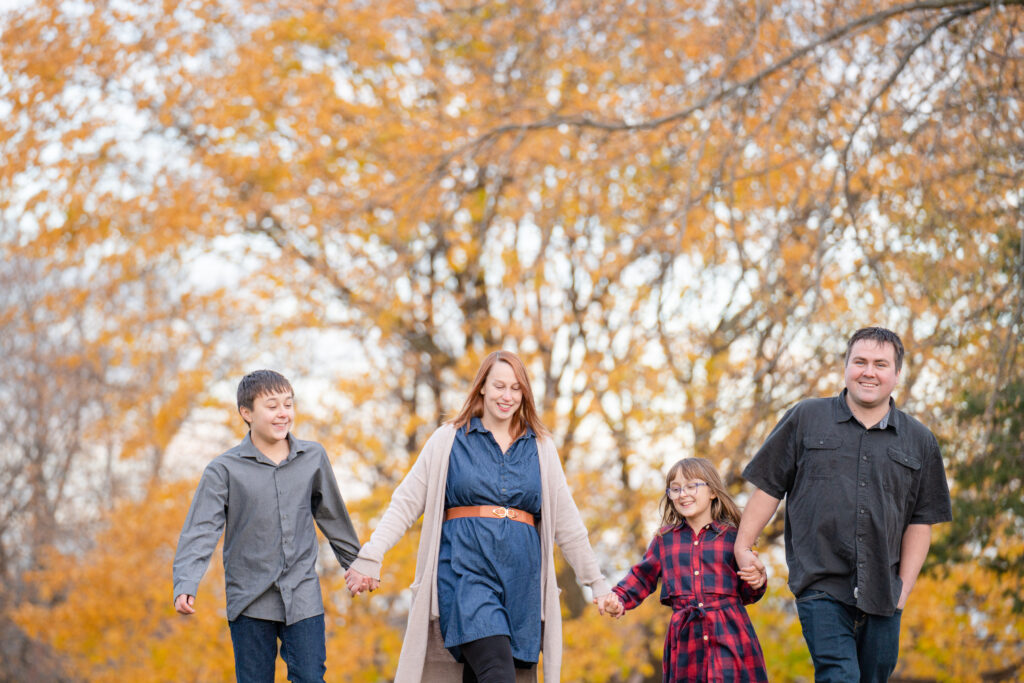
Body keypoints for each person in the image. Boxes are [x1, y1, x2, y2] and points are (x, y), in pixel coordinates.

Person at [344, 350, 612, 683]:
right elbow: (406, 502)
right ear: (482, 386)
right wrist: (371, 555)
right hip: (466, 572)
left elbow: (568, 524)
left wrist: (596, 583)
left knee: (488, 673)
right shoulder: (450, 439)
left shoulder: (540, 447)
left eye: (516, 388)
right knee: (498, 671)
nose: (507, 396)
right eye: (499, 385)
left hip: (521, 582)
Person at [735, 327, 953, 682]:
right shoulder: (806, 417)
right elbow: (769, 486)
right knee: (840, 676)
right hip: (820, 585)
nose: (869, 371)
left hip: (885, 593)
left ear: (896, 374)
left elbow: (921, 521)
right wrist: (743, 546)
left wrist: (903, 591)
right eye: (860, 361)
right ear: (846, 367)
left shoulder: (920, 440)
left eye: (881, 364)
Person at [172, 369, 362, 683]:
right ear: (246, 413)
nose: (283, 413)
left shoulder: (312, 457)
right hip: (249, 598)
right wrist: (186, 582)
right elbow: (201, 529)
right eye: (272, 406)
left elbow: (333, 516)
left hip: (302, 594)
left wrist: (357, 565)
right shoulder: (224, 469)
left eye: (288, 404)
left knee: (311, 678)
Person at [598, 457, 769, 682]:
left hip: (730, 633)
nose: (682, 494)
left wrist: (757, 579)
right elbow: (641, 577)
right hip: (686, 641)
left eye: (691, 486)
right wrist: (618, 599)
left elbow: (749, 592)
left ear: (712, 492)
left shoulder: (733, 537)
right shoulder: (664, 540)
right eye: (675, 489)